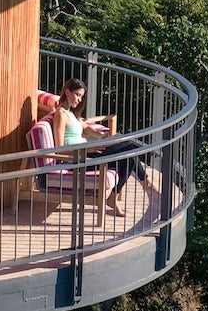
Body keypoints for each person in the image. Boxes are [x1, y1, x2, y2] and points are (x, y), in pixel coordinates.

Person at [60, 78, 153, 216]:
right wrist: (86, 150)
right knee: (130, 148)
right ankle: (145, 182)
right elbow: (58, 148)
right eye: (77, 95)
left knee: (129, 157)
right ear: (67, 92)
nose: (79, 100)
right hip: (77, 159)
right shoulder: (61, 115)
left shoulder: (73, 116)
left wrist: (107, 137)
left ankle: (114, 197)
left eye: (81, 96)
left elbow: (92, 131)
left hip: (88, 153)